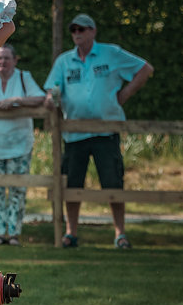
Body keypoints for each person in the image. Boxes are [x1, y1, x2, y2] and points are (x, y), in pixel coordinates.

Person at [44, 13, 154, 249]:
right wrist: (51, 99)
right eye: (73, 30)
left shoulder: (111, 53)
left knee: (113, 182)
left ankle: (120, 234)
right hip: (74, 132)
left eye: (82, 29)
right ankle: (71, 233)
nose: (77, 33)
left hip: (106, 131)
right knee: (72, 185)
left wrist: (124, 95)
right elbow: (52, 91)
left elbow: (145, 69)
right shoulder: (64, 61)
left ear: (93, 31)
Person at [0, 44, 46, 246]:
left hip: (19, 143)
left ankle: (14, 233)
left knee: (17, 189)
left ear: (15, 60)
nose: (2, 62)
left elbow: (40, 98)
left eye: (6, 58)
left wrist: (16, 100)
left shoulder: (24, 77)